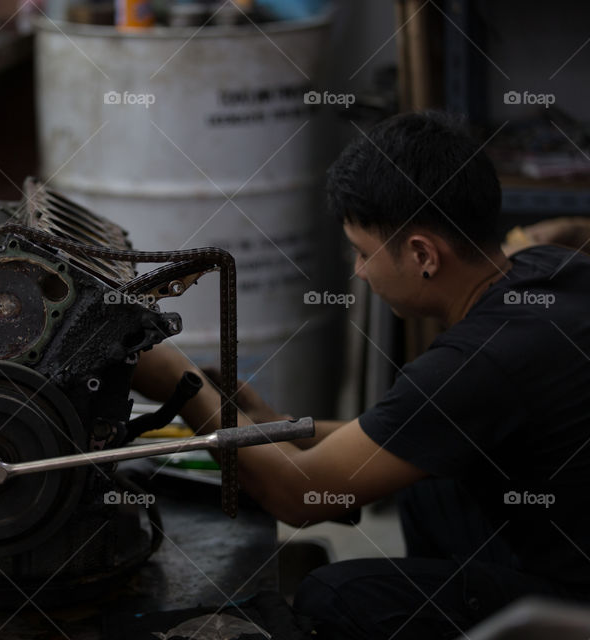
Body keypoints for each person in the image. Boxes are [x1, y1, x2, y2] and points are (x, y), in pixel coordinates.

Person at [132, 112, 590, 639]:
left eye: (364, 252)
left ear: (422, 254)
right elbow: (403, 432)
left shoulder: (475, 364)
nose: (360, 271)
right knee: (429, 482)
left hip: (575, 605)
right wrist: (278, 424)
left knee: (336, 596)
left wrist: (179, 382)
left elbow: (299, 497)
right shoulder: (547, 268)